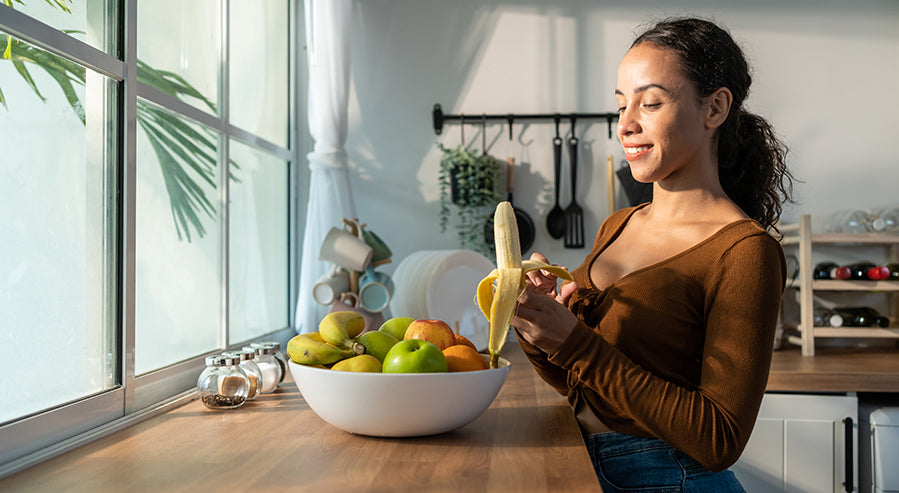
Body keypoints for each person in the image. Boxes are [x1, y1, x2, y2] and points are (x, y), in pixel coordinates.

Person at [511, 17, 794, 493]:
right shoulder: (617, 225)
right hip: (585, 465)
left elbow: (721, 438)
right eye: (621, 105)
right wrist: (538, 328)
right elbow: (585, 385)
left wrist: (574, 343)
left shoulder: (745, 252)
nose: (626, 124)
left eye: (651, 102)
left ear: (716, 108)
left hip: (671, 478)